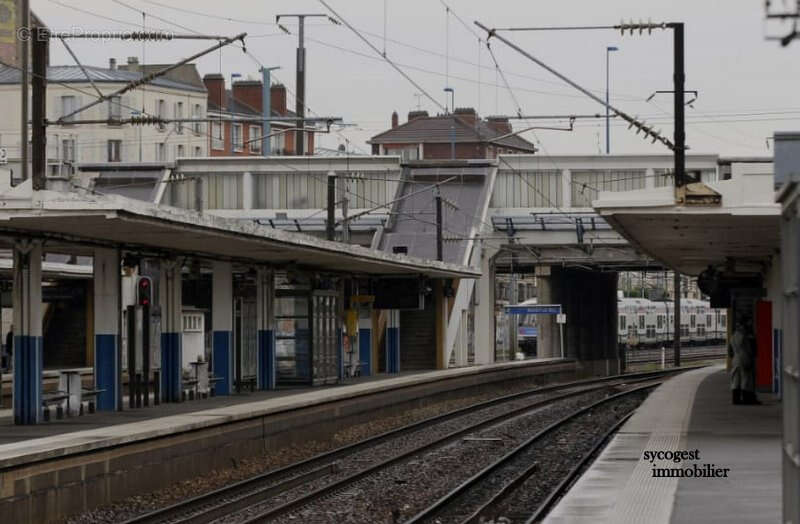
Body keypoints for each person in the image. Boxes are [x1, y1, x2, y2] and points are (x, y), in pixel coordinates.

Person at [729, 320, 760, 405]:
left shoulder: (732, 337)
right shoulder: (744, 337)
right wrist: (752, 356)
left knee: (736, 379)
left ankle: (736, 399)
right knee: (746, 379)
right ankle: (748, 399)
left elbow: (730, 351)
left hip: (735, 359)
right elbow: (749, 349)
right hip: (745, 358)